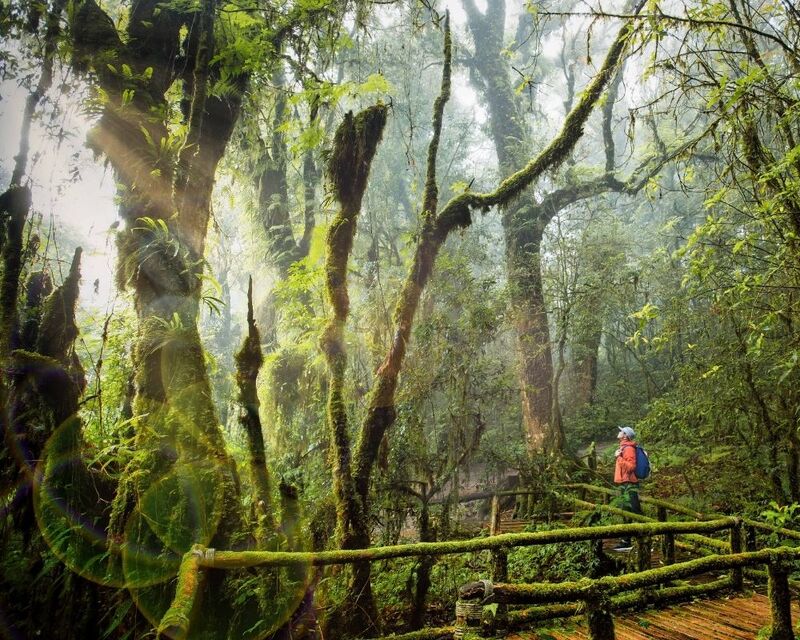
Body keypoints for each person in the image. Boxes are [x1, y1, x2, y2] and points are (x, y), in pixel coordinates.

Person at [613, 425, 642, 551]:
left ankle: (645, 538)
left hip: (629, 483)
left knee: (634, 510)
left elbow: (631, 467)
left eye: (621, 431)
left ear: (625, 435)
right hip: (625, 483)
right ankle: (627, 540)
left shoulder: (628, 448)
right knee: (629, 510)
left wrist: (618, 457)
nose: (619, 432)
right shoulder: (623, 447)